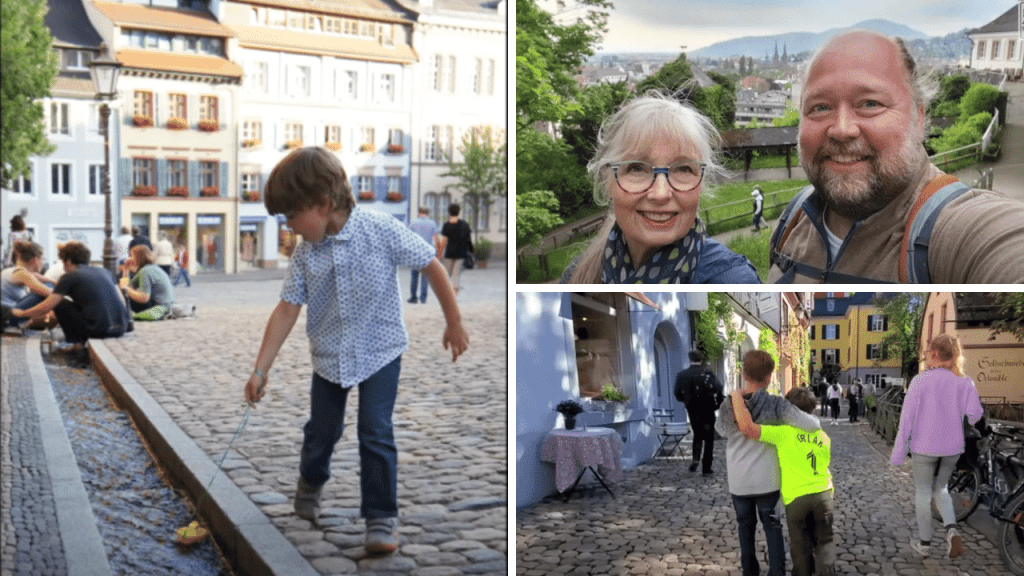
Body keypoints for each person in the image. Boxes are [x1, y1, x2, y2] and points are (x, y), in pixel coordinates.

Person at [241, 147, 469, 555]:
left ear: (323, 204)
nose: (289, 227)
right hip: (329, 357)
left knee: (375, 431)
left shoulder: (380, 229)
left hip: (381, 351)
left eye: (292, 216)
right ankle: (310, 482)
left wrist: (453, 321)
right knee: (322, 433)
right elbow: (287, 308)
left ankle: (381, 518)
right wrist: (260, 369)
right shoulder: (305, 253)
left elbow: (431, 264)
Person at [768, 29, 1024, 283]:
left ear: (918, 118)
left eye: (870, 104)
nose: (842, 130)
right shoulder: (791, 222)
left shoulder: (962, 231)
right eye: (820, 107)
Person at [560, 93, 760, 284]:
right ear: (607, 182)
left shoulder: (730, 279)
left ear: (701, 183)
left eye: (683, 169)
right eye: (637, 168)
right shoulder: (577, 275)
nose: (661, 193)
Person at [717, 350, 822, 576]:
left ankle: (749, 572)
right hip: (767, 480)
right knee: (773, 526)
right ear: (769, 376)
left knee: (745, 527)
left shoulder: (729, 405)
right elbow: (812, 425)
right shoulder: (776, 405)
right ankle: (777, 571)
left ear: (744, 374)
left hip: (739, 480)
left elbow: (721, 431)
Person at [891, 334, 983, 560]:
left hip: (924, 445)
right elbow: (975, 415)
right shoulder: (965, 381)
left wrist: (898, 452)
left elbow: (907, 419)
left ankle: (924, 543)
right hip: (952, 446)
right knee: (941, 489)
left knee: (923, 491)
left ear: (934, 354)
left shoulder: (920, 381)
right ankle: (951, 530)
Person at [731, 386, 835, 576]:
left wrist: (737, 399)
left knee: (800, 545)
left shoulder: (783, 433)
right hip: (824, 495)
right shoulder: (823, 436)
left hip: (796, 499)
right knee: (824, 542)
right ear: (812, 409)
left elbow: (748, 428)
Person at [11, 241, 130, 351]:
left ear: (67, 261)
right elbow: (120, 299)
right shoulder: (104, 271)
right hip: (121, 328)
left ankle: (74, 342)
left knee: (58, 302)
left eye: (63, 262)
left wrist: (23, 313)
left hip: (98, 330)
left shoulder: (69, 276)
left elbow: (48, 306)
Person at [674, 350, 725, 475]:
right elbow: (719, 388)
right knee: (709, 438)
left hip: (692, 410)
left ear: (689, 359)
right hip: (708, 410)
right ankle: (706, 467)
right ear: (701, 360)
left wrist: (686, 401)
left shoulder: (682, 375)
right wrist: (717, 404)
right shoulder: (708, 373)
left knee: (697, 435)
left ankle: (695, 459)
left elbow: (677, 393)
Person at [1, 241, 54, 330]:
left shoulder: (13, 271)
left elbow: (35, 276)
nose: (43, 263)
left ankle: (48, 321)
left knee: (49, 286)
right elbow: (48, 292)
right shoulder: (21, 273)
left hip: (9, 314)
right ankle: (49, 322)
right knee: (47, 292)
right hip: (8, 317)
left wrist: (54, 281)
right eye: (43, 259)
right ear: (36, 259)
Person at [120, 245, 174, 321]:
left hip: (159, 306)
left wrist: (126, 289)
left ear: (137, 258)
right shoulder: (150, 268)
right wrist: (125, 269)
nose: (130, 258)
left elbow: (144, 298)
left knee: (127, 295)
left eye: (131, 256)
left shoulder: (145, 271)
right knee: (128, 291)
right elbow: (130, 285)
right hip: (167, 305)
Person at [407, 207, 440, 304]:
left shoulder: (413, 222)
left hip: (415, 252)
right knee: (425, 277)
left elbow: (409, 237)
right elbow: (435, 238)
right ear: (428, 213)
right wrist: (437, 251)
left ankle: (413, 297)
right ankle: (423, 298)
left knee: (414, 276)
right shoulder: (432, 223)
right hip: (427, 252)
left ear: (419, 212)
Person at [440, 203, 472, 295]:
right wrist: (469, 251)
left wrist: (439, 253)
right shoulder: (464, 224)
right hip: (461, 253)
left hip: (449, 253)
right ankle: (454, 295)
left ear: (449, 212)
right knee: (456, 275)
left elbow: (444, 241)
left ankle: (446, 294)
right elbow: (468, 239)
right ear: (459, 212)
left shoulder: (446, 225)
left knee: (446, 274)